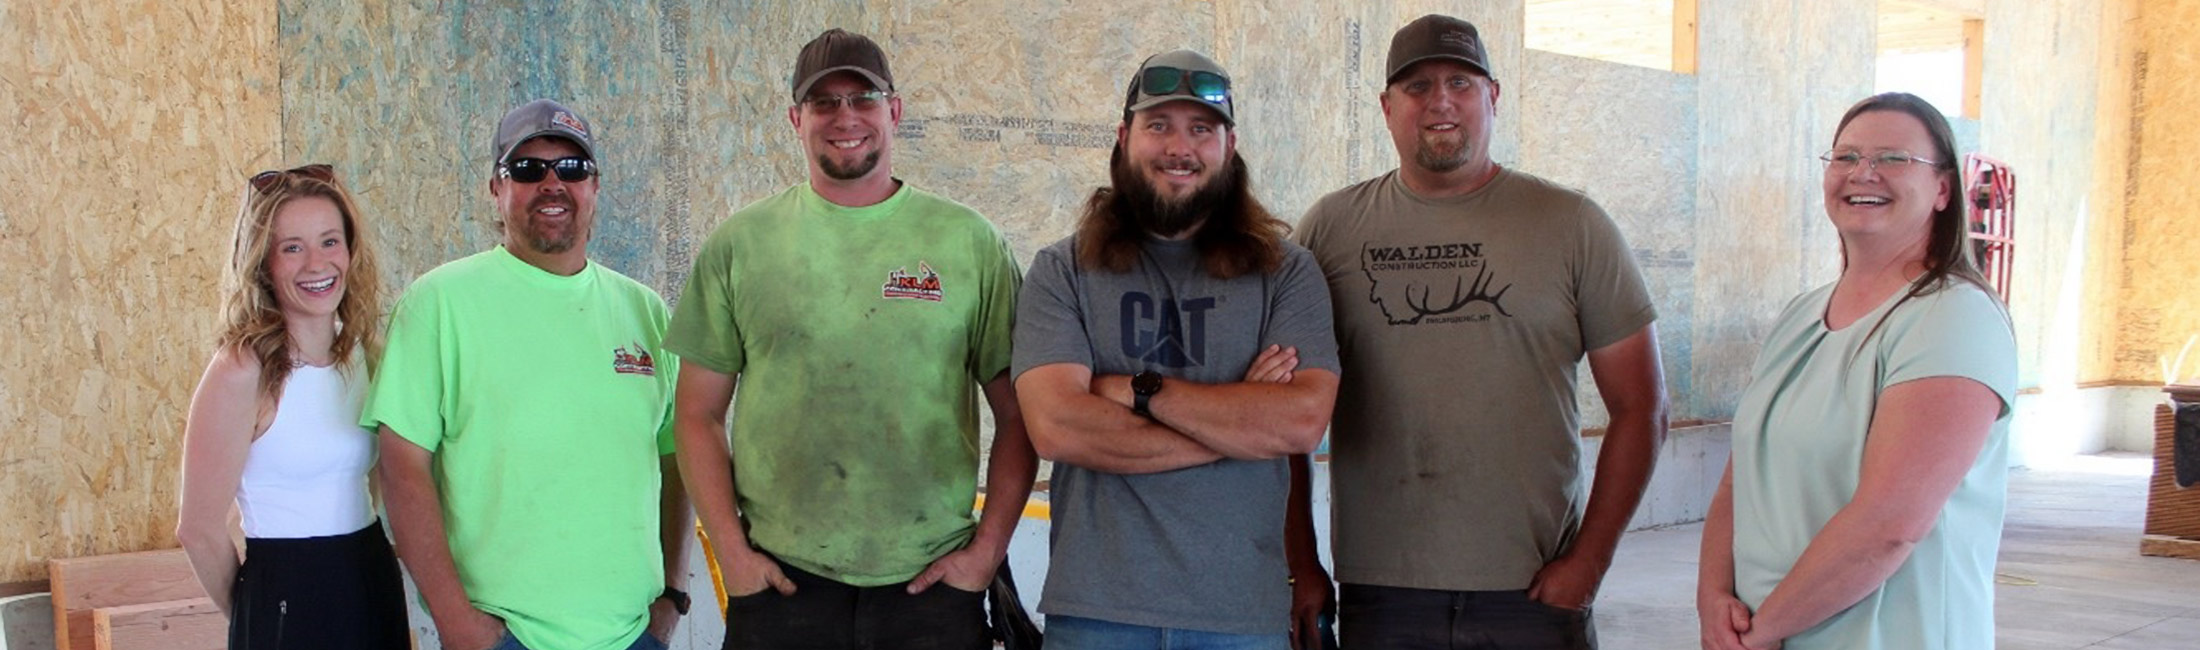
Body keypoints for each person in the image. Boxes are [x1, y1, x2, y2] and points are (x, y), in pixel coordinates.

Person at [1291, 14, 1669, 649]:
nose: (1440, 100)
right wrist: (1302, 563)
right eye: (1417, 86)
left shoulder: (1573, 224)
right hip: (1383, 593)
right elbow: (1285, 416)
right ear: (1386, 107)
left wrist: (1590, 562)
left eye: (1460, 83)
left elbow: (1643, 406)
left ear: (1493, 96)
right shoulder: (1330, 230)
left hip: (1533, 589)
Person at [665, 28, 1035, 650]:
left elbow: (1021, 413)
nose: (845, 117)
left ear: (895, 111)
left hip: (931, 587)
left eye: (863, 98)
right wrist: (732, 556)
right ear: (796, 118)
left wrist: (985, 555)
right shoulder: (741, 245)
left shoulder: (969, 243)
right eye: (823, 102)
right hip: (781, 584)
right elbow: (697, 415)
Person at [1012, 49, 1341, 650]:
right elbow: (1058, 429)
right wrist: (1239, 423)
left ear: (1229, 145)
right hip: (1096, 614)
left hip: (1241, 616)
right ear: (1124, 137)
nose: (1179, 147)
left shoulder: (1287, 273)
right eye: (1158, 125)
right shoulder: (1063, 271)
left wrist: (1137, 391)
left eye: (1201, 129)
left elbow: (1299, 423)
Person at [364, 99, 691, 650]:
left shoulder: (646, 312)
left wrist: (673, 596)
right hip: (503, 636)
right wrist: (456, 621)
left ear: (595, 186)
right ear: (497, 188)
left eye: (572, 168)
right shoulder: (438, 305)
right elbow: (402, 469)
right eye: (527, 169)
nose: (552, 183)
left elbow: (676, 460)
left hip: (635, 634)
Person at [1696, 92, 2016, 650]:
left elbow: (1888, 526)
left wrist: (1762, 633)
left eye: (1894, 158)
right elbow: (1739, 477)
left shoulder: (1953, 318)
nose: (1863, 173)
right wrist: (1712, 598)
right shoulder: (1801, 314)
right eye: (1845, 156)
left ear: (1943, 189)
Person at [177, 164, 409, 650]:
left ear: (350, 250)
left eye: (329, 242)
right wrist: (257, 614)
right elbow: (198, 531)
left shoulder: (365, 353)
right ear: (263, 263)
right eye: (292, 248)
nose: (316, 264)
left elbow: (368, 479)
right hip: (285, 590)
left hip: (371, 576)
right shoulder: (242, 370)